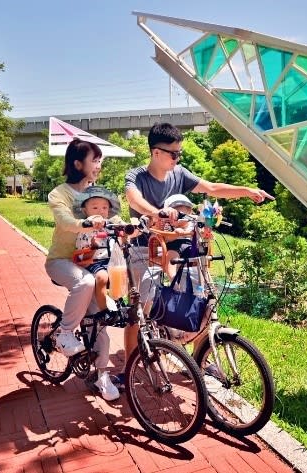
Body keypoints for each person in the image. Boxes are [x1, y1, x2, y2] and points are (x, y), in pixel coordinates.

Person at [124, 122, 274, 362]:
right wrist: (157, 213)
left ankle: (199, 360)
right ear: (156, 153)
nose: (177, 158)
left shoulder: (179, 173)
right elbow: (134, 199)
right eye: (174, 154)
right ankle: (128, 367)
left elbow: (212, 188)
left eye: (179, 153)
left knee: (204, 296)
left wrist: (247, 190)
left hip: (177, 244)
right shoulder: (137, 176)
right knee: (140, 307)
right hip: (145, 246)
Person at [45, 138, 119, 401]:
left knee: (100, 326)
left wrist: (132, 226)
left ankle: (102, 377)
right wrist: (86, 222)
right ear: (78, 164)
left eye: (100, 160)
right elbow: (65, 221)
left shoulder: (95, 193)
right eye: (95, 160)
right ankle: (65, 333)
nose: (99, 165)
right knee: (86, 283)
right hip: (61, 261)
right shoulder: (60, 193)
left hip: (88, 262)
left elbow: (112, 217)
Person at [72, 186, 122, 317]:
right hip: (92, 260)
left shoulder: (110, 224)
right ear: (85, 210)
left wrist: (132, 229)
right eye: (95, 208)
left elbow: (123, 232)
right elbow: (84, 250)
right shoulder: (86, 225)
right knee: (102, 277)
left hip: (109, 260)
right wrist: (93, 240)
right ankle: (103, 310)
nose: (100, 211)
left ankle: (118, 303)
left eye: (104, 208)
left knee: (125, 273)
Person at [155, 193, 196, 280]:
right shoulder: (169, 226)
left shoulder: (193, 224)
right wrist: (175, 233)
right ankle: (173, 280)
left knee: (200, 257)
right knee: (171, 258)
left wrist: (204, 233)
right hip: (173, 246)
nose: (179, 221)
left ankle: (207, 282)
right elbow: (167, 238)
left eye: (184, 216)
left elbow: (199, 234)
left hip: (189, 246)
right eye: (176, 218)